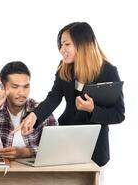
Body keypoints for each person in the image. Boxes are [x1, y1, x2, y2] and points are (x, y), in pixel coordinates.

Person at [13, 22, 125, 168]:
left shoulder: (107, 71)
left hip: (94, 148)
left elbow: (118, 114)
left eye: (66, 44)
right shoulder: (64, 68)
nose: (61, 49)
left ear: (82, 44)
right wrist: (34, 116)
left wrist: (93, 109)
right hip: (67, 143)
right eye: (61, 45)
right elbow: (54, 97)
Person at [0, 61, 57, 159]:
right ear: (2, 87)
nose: (22, 93)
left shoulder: (41, 110)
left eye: (26, 86)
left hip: (34, 173)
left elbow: (56, 147)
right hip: (1, 172)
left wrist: (27, 152)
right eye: (15, 87)